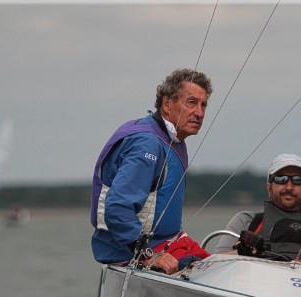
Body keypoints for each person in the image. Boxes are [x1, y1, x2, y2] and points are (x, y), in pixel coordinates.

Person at [90, 69, 212, 274]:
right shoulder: (147, 144)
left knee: (229, 264)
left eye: (203, 105)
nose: (199, 113)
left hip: (169, 244)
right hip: (135, 255)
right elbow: (118, 206)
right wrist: (147, 255)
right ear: (167, 104)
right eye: (191, 103)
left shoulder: (173, 139)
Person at [212, 154, 301, 263]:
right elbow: (214, 262)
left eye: (298, 180)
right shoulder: (248, 220)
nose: (289, 187)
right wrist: (242, 253)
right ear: (269, 187)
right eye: (281, 179)